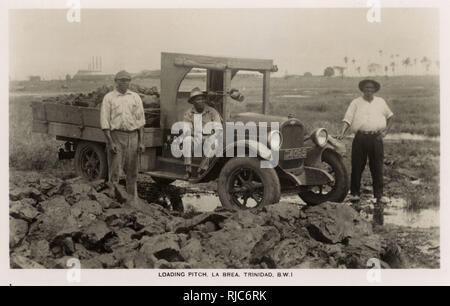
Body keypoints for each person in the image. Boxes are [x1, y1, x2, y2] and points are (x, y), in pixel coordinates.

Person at [337, 80, 394, 223]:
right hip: (360, 138)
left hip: (376, 138)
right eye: (366, 88)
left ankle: (379, 195)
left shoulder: (380, 102)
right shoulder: (355, 102)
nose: (369, 90)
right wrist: (342, 132)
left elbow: (390, 117)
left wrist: (385, 133)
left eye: (371, 88)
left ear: (375, 90)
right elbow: (347, 119)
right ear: (362, 90)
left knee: (377, 167)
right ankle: (355, 194)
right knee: (357, 166)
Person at [100, 70, 146, 198]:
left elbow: (141, 121)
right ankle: (113, 199)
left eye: (127, 80)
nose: (125, 83)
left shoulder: (135, 97)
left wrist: (141, 142)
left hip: (133, 136)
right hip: (117, 136)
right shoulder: (109, 98)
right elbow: (105, 122)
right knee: (115, 171)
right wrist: (110, 142)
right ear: (116, 82)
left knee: (132, 171)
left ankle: (132, 200)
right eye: (122, 80)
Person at [183, 87, 222, 179]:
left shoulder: (212, 112)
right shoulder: (188, 113)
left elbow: (218, 128)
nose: (200, 101)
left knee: (214, 142)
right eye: (197, 99)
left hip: (208, 137)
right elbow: (187, 129)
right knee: (187, 140)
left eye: (201, 99)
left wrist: (211, 135)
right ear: (193, 102)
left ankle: (202, 169)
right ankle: (188, 170)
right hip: (195, 137)